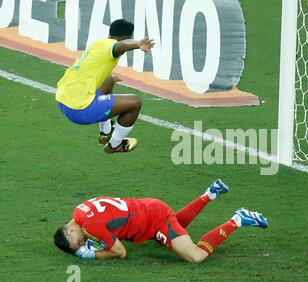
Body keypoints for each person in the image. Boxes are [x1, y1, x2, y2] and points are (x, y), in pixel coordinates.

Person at [53, 180, 269, 263]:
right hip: (148, 208)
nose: (82, 244)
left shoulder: (90, 227)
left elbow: (121, 252)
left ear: (70, 232)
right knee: (175, 230)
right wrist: (94, 241)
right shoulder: (78, 213)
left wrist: (92, 254)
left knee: (195, 256)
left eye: (78, 243)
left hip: (154, 219)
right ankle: (209, 194)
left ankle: (237, 220)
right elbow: (101, 223)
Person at [55, 19, 155, 153]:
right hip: (79, 110)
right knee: (135, 102)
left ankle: (105, 133)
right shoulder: (113, 46)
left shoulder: (98, 43)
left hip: (63, 99)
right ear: (128, 36)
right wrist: (137, 44)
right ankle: (115, 145)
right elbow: (119, 46)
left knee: (108, 79)